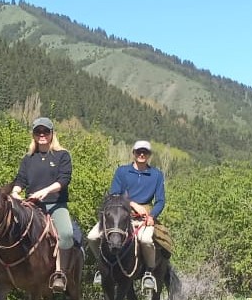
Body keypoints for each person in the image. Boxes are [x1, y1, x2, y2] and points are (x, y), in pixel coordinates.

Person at [88, 140, 167, 290]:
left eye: (145, 152)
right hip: (120, 214)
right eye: (139, 151)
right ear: (134, 153)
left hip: (143, 217)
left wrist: (152, 216)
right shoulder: (122, 171)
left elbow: (161, 201)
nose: (141, 154)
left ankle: (149, 273)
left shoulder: (156, 175)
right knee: (92, 236)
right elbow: (115, 194)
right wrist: (133, 204)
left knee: (145, 239)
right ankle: (101, 267)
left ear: (149, 155)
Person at [11, 117, 75, 291]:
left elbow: (64, 179)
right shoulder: (28, 158)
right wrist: (16, 191)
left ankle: (60, 273)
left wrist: (46, 191)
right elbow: (21, 179)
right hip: (32, 205)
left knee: (67, 234)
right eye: (38, 132)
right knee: (7, 225)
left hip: (56, 204)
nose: (42, 135)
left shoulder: (62, 155)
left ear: (52, 134)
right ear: (33, 135)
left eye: (45, 131)